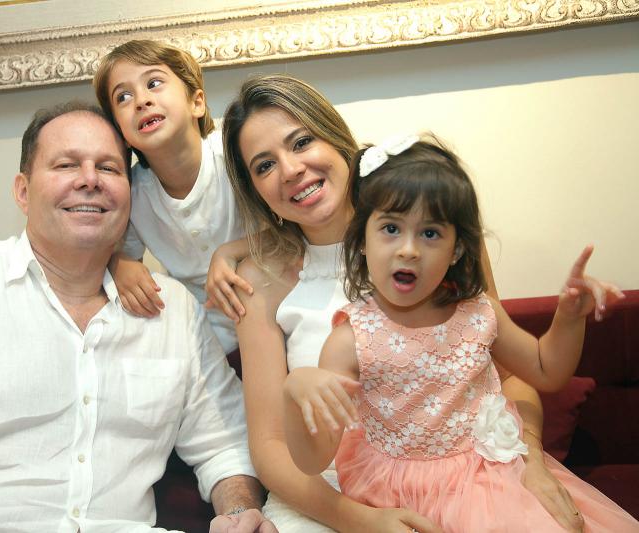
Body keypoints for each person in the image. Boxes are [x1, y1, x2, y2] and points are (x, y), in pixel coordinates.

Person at [0, 102, 275, 533]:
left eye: (108, 168)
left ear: (129, 195)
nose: (89, 180)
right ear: (23, 191)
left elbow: (226, 445)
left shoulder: (173, 309)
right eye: (66, 165)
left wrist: (238, 513)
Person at [217, 74, 596, 532]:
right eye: (264, 165)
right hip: (327, 494)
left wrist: (528, 460)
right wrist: (362, 520)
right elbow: (270, 445)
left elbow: (514, 376)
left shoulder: (440, 245)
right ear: (256, 190)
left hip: (475, 480)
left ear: (337, 141)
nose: (291, 169)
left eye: (301, 142)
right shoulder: (258, 282)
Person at [282, 135, 638, 532]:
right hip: (401, 494)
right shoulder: (350, 340)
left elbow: (546, 370)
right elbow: (312, 461)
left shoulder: (479, 312)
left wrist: (569, 317)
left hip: (492, 479)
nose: (408, 250)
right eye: (391, 228)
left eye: (430, 233)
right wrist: (295, 391)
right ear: (362, 240)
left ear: (456, 250)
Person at [92, 40, 250, 355]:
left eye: (154, 83)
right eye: (123, 97)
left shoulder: (235, 154)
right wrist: (120, 264)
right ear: (121, 132)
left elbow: (293, 232)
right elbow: (116, 251)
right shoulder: (132, 194)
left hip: (273, 302)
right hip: (204, 334)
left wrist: (231, 251)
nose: (141, 101)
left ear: (197, 102)